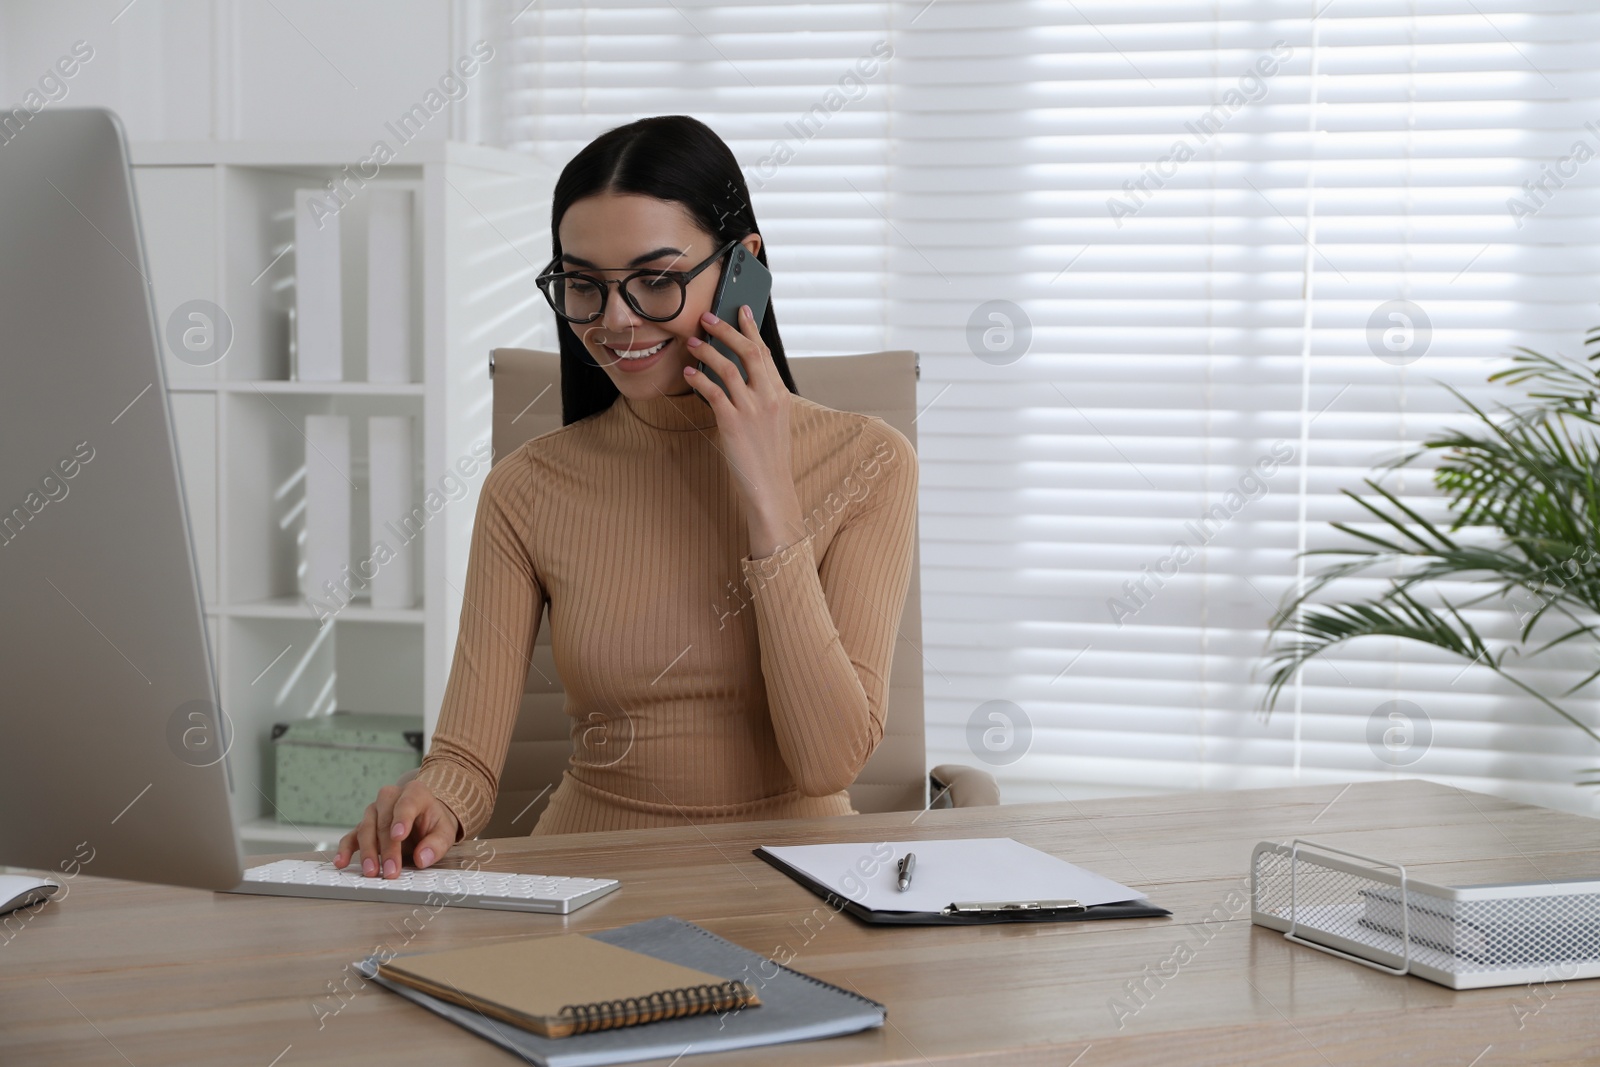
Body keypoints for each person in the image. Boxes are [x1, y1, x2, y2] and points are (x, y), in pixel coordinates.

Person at [334, 115, 918, 879]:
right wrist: (428, 805)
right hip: (590, 883)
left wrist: (769, 494)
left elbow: (825, 762)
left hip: (799, 889)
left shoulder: (870, 461)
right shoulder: (525, 490)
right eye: (585, 284)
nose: (615, 322)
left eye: (656, 279)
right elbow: (465, 762)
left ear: (745, 267)